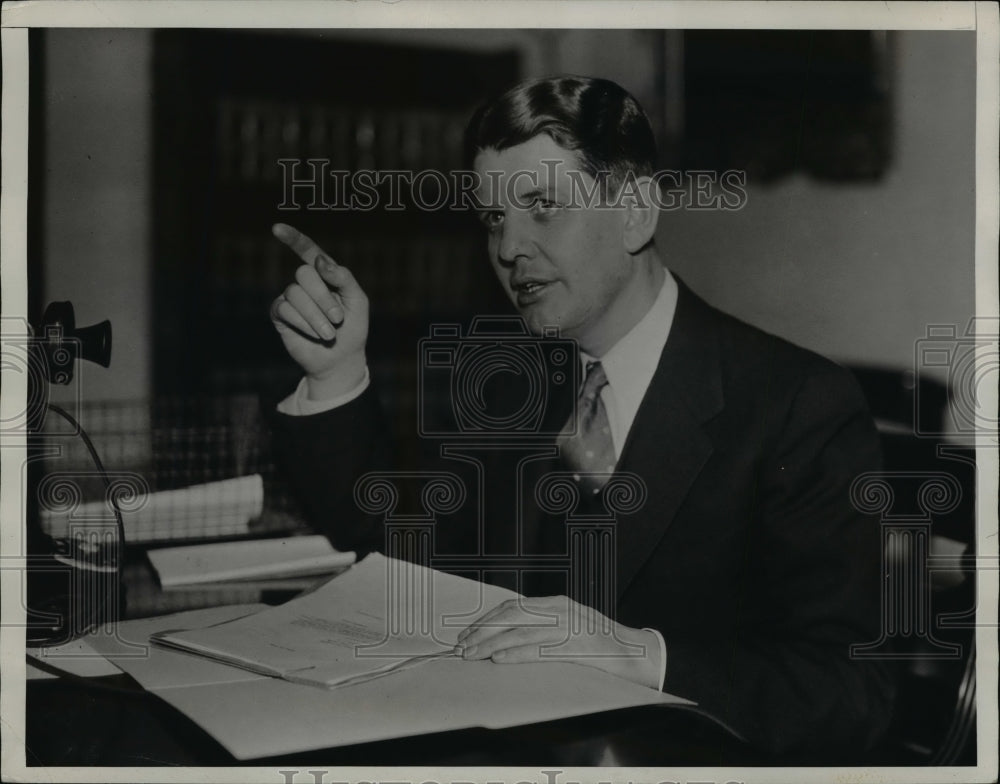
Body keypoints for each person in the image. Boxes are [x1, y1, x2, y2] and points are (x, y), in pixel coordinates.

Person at [268, 75, 895, 758]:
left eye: (543, 207)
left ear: (635, 214)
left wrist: (644, 658)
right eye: (493, 219)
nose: (508, 249)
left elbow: (851, 694)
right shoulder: (507, 389)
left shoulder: (796, 405)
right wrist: (335, 373)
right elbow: (409, 568)